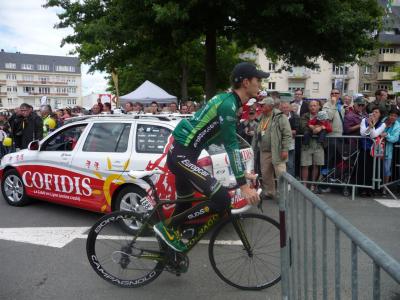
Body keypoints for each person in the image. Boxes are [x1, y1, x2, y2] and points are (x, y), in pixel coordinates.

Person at [153, 62, 269, 252]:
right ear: (246, 82)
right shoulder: (228, 105)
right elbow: (231, 145)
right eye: (258, 80)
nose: (260, 85)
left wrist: (240, 172)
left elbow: (222, 138)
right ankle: (166, 227)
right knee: (222, 198)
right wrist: (243, 185)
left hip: (183, 154)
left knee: (187, 200)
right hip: (182, 156)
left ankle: (169, 253)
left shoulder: (229, 101)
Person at [253, 97, 292, 199]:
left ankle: (282, 196)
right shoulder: (261, 117)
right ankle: (270, 192)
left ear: (270, 106)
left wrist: (285, 149)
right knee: (266, 174)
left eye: (263, 105)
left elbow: (287, 134)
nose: (260, 107)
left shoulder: (280, 117)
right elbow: (257, 135)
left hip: (277, 151)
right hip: (264, 151)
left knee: (280, 174)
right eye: (260, 105)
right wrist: (253, 148)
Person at [359, 107, 386, 196]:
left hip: (374, 150)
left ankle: (372, 190)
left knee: (373, 170)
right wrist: (370, 126)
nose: (374, 113)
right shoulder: (364, 120)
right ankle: (362, 189)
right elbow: (363, 134)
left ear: (380, 115)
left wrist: (372, 126)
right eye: (373, 112)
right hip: (364, 148)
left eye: (376, 112)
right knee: (363, 169)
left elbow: (374, 135)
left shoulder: (383, 124)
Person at [299, 100, 325, 193]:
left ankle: (313, 185)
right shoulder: (305, 116)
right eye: (311, 106)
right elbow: (302, 126)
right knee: (305, 164)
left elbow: (326, 125)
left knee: (316, 165)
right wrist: (314, 128)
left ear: (319, 107)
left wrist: (321, 128)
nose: (313, 107)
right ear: (308, 107)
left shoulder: (323, 115)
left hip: (318, 144)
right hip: (307, 144)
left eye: (315, 105)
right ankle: (304, 185)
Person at [380, 108, 400, 194]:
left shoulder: (397, 125)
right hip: (377, 149)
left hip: (388, 150)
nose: (393, 117)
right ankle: (376, 187)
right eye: (391, 115)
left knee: (386, 169)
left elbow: (394, 138)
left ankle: (385, 188)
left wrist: (387, 135)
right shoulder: (383, 121)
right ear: (389, 115)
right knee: (377, 168)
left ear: (397, 117)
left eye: (395, 116)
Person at [279, 100, 300, 177]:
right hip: (279, 144)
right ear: (281, 108)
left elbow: (297, 130)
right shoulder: (278, 116)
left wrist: (285, 132)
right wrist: (289, 132)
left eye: (287, 107)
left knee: (290, 164)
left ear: (290, 108)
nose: (285, 109)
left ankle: (290, 183)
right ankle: (282, 182)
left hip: (291, 144)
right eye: (283, 107)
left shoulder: (295, 116)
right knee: (281, 164)